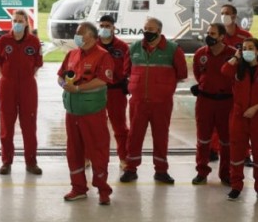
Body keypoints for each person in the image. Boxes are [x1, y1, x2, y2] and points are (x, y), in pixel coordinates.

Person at [121, 17, 187, 184]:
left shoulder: (173, 49)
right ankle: (130, 169)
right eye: (145, 28)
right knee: (134, 136)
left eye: (151, 29)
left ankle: (161, 170)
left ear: (159, 31)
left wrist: (163, 88)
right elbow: (126, 70)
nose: (147, 31)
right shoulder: (135, 47)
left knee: (161, 136)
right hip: (138, 102)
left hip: (161, 103)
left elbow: (182, 73)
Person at [59, 22, 114, 205]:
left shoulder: (103, 56)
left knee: (97, 150)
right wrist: (64, 85)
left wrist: (79, 88)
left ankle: (103, 189)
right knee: (73, 151)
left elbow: (103, 80)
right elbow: (61, 75)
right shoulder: (72, 54)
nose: (76, 36)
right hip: (72, 112)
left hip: (92, 113)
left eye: (79, 33)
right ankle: (78, 188)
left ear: (90, 36)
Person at [221, 38, 258, 202]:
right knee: (237, 153)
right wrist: (236, 57)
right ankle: (236, 187)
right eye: (244, 48)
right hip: (238, 117)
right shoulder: (237, 69)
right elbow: (224, 71)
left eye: (250, 48)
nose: (247, 50)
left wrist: (255, 108)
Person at [0, 10, 42, 175]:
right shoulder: (3, 40)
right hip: (8, 85)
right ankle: (6, 162)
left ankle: (31, 162)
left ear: (27, 22)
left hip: (28, 86)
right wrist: (8, 76)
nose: (18, 23)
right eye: (15, 20)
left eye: (21, 21)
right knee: (6, 126)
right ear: (11, 22)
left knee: (29, 126)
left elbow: (37, 64)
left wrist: (27, 77)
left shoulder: (34, 42)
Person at [190, 23, 236, 186]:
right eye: (208, 33)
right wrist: (205, 85)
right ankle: (201, 171)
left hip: (226, 102)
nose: (209, 36)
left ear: (222, 37)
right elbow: (198, 73)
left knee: (226, 140)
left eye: (213, 33)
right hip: (205, 101)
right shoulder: (200, 54)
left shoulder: (233, 54)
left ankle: (225, 173)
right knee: (203, 139)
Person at [217, 4, 253, 165]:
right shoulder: (217, 35)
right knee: (217, 121)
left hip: (238, 86)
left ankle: (245, 154)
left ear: (234, 16)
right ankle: (214, 149)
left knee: (241, 123)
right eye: (222, 13)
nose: (224, 16)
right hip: (220, 85)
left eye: (227, 13)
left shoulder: (245, 36)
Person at [97, 15, 130, 170]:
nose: (104, 28)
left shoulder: (122, 47)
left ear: (113, 28)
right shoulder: (92, 45)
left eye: (108, 25)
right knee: (94, 126)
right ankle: (91, 156)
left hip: (116, 91)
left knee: (119, 127)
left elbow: (129, 67)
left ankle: (124, 158)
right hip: (95, 91)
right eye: (102, 25)